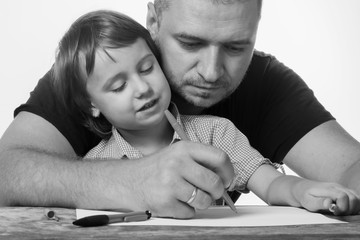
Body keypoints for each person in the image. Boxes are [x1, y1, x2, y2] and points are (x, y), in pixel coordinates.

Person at [0, 0, 359, 218]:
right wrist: (131, 181)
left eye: (236, 47)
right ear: (153, 23)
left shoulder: (253, 98)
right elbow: (6, 172)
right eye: (190, 42)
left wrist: (304, 192)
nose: (211, 71)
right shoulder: (92, 67)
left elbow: (347, 169)